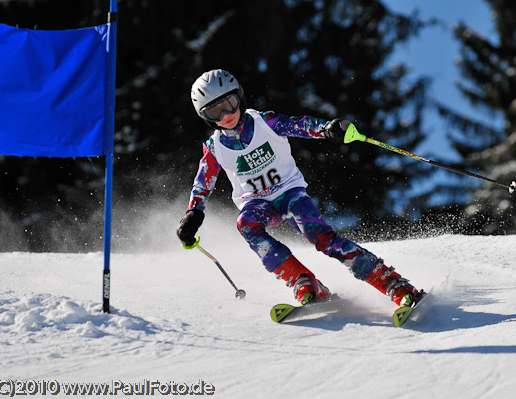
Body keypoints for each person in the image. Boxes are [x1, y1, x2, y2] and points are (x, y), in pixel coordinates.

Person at [178, 69, 421, 308]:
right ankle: (304, 282)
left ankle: (393, 284)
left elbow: (300, 125)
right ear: (206, 116)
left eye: (229, 104)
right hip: (257, 203)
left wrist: (327, 129)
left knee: (322, 239)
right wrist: (193, 213)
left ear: (239, 97)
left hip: (289, 193)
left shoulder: (265, 122)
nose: (226, 114)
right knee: (246, 225)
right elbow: (203, 182)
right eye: (215, 111)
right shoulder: (215, 147)